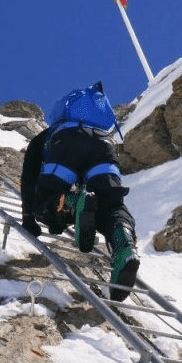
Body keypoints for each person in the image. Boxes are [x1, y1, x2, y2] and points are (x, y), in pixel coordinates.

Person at [19, 82, 140, 301]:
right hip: (105, 145)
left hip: (67, 144)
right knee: (111, 205)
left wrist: (29, 216)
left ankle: (73, 204)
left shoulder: (50, 134)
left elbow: (29, 177)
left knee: (45, 201)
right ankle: (125, 245)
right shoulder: (100, 131)